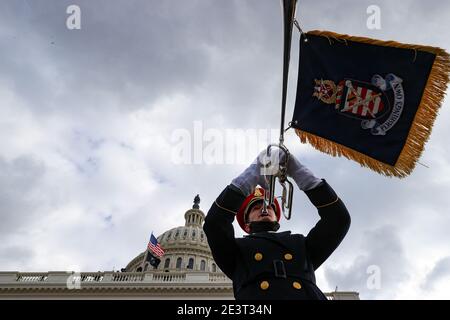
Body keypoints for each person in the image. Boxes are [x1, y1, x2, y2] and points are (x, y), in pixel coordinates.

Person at [203, 150, 351, 300]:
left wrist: (299, 173)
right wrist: (245, 181)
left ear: (277, 219)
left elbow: (338, 220)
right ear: (246, 225)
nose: (264, 208)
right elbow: (214, 224)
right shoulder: (236, 251)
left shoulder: (301, 245)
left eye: (270, 207)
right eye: (255, 208)